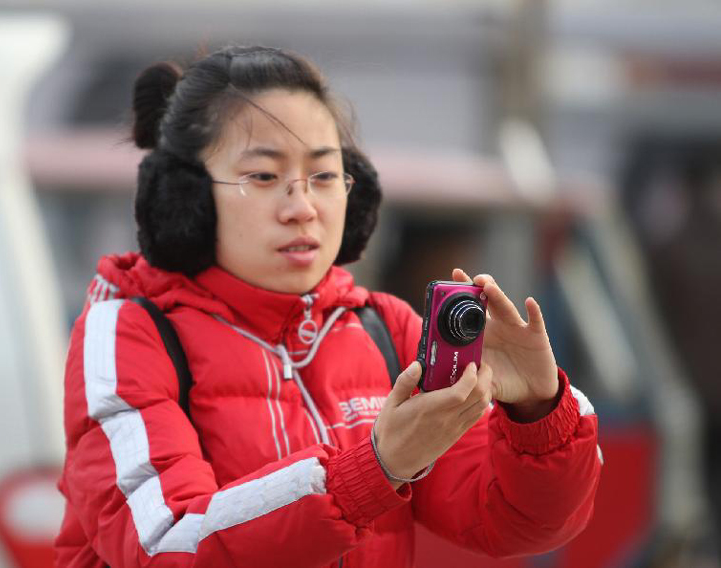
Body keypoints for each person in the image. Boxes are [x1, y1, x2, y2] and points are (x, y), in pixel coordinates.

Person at [54, 45, 601, 568]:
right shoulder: (126, 333)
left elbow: (516, 525)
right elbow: (166, 544)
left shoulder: (384, 328)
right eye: (263, 177)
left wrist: (538, 413)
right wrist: (372, 471)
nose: (302, 207)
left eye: (322, 176)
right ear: (187, 199)